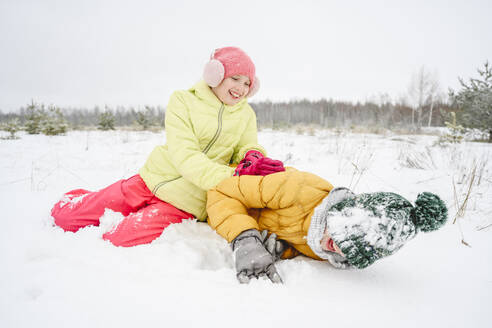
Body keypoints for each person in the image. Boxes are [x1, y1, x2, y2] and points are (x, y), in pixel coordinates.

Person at [51, 47, 285, 247]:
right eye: (236, 79)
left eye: (247, 83)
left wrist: (252, 156)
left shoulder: (246, 114)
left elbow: (246, 146)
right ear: (215, 75)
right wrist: (232, 175)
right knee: (65, 217)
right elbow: (185, 154)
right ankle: (84, 198)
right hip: (150, 181)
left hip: (186, 201)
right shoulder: (182, 100)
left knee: (117, 239)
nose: (242, 89)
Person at [206, 168, 448, 284]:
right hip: (228, 175)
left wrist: (281, 250)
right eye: (345, 238)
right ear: (344, 216)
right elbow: (221, 193)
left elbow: (301, 244)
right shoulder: (296, 189)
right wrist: (246, 237)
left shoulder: (330, 250)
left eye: (351, 252)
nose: (339, 250)